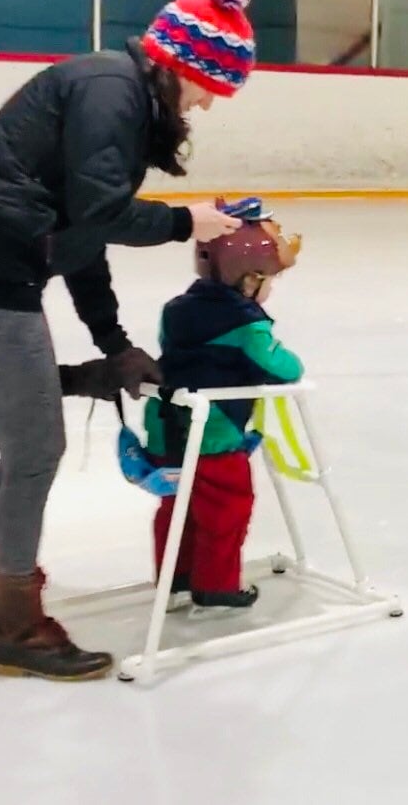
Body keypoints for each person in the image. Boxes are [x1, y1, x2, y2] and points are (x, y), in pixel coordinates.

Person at [0, 0, 256, 680]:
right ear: (182, 65)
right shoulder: (113, 93)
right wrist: (183, 221)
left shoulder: (118, 94)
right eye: (209, 89)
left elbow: (79, 238)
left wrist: (114, 344)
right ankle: (18, 626)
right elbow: (102, 214)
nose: (206, 106)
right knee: (36, 449)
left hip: (2, 265)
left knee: (24, 443)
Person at [145, 205, 303, 611]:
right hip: (214, 431)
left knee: (177, 503)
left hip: (168, 423)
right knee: (225, 506)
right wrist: (291, 363)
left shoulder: (176, 308)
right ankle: (215, 583)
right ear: (248, 279)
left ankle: (175, 574)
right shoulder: (247, 322)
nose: (269, 289)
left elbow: (170, 347)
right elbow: (279, 366)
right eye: (268, 280)